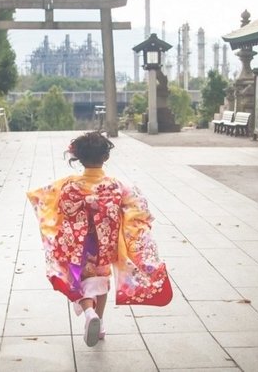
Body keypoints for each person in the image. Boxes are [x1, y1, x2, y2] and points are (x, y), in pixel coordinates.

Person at [27, 131, 172, 347]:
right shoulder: (116, 185)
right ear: (106, 157)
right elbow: (138, 209)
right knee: (101, 281)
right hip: (105, 244)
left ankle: (88, 313)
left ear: (78, 158)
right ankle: (100, 322)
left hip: (76, 243)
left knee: (80, 281)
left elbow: (40, 197)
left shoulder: (67, 184)